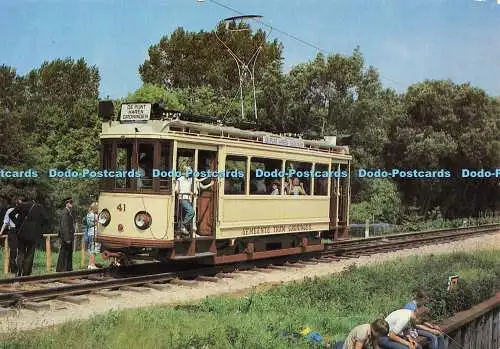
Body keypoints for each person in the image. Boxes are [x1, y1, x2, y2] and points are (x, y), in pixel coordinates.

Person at [8, 194, 49, 277]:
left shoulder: (21, 205)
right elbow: (46, 219)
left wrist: (18, 224)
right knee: (30, 253)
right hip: (34, 234)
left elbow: (11, 215)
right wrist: (39, 227)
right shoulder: (39, 207)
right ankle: (26, 273)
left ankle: (19, 271)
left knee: (21, 251)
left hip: (22, 233)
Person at [175, 167, 214, 237]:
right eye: (188, 171)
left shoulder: (190, 180)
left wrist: (208, 178)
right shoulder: (180, 179)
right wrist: (186, 192)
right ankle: (182, 226)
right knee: (191, 212)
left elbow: (198, 180)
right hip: (183, 198)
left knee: (186, 215)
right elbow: (176, 190)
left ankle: (185, 231)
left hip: (189, 199)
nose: (189, 173)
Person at [0, 197, 22, 275]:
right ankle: (13, 270)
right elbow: (5, 223)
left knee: (20, 251)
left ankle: (19, 269)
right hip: (12, 231)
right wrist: (1, 232)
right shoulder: (10, 211)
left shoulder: (22, 211)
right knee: (13, 251)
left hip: (20, 231)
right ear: (16, 204)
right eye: (19, 203)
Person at [56, 197, 75, 272]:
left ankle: (67, 269)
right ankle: (62, 269)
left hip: (68, 236)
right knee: (64, 253)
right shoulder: (65, 212)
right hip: (66, 237)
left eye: (71, 202)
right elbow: (64, 226)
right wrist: (67, 238)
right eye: (70, 202)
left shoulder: (68, 212)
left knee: (68, 253)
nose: (71, 204)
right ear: (66, 204)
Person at [85, 202, 100, 269]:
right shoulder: (94, 215)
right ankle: (92, 264)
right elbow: (100, 221)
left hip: (90, 232)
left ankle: (90, 264)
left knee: (91, 248)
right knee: (94, 248)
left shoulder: (88, 214)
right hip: (94, 232)